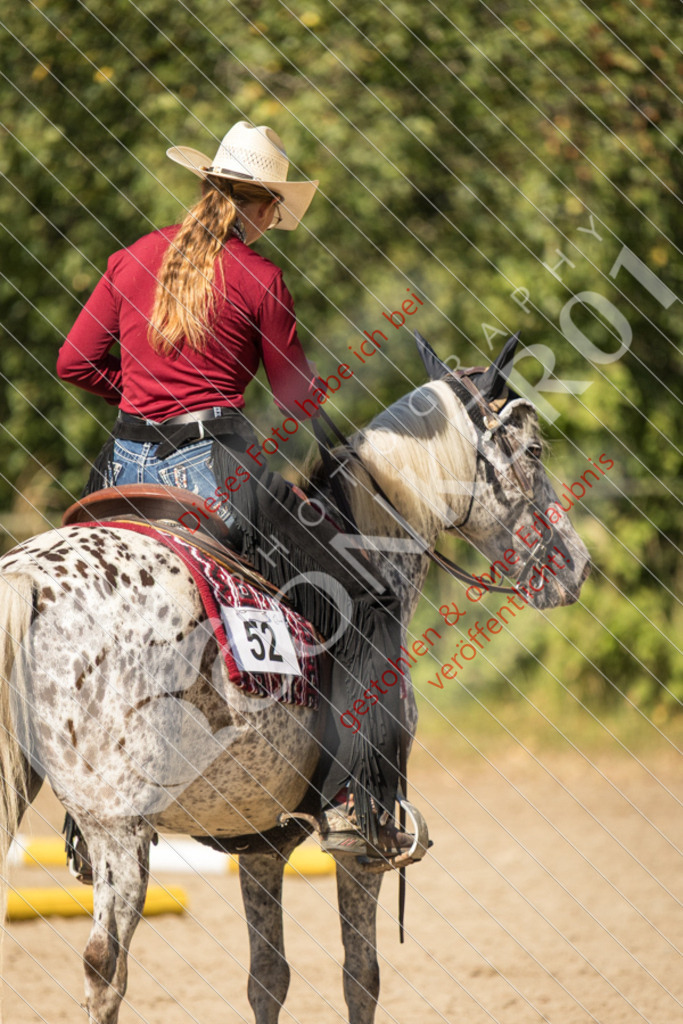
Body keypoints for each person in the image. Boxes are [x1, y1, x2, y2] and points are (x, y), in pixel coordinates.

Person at [57, 121, 412, 873]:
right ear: (262, 207)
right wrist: (334, 447)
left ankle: (75, 807)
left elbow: (73, 360)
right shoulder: (258, 278)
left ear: (205, 188)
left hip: (121, 467)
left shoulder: (131, 258)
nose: (276, 221)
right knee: (366, 594)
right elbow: (292, 392)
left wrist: (141, 399)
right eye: (276, 209)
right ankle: (351, 803)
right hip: (213, 470)